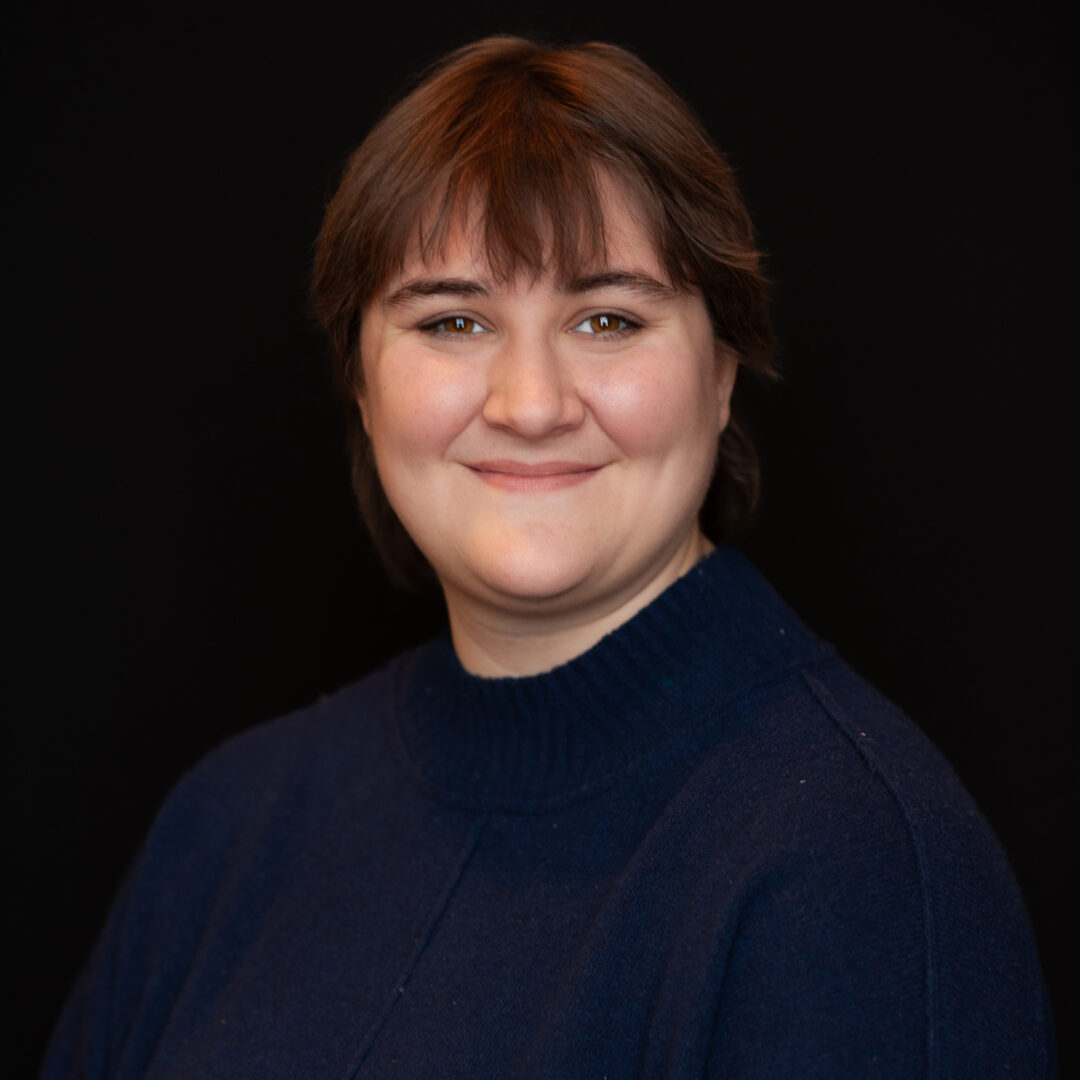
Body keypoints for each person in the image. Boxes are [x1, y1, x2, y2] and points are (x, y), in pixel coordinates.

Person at [42, 35, 1054, 1079]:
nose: (530, 405)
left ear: (722, 372)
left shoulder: (853, 866)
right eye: (455, 320)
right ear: (361, 381)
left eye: (607, 318)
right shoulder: (230, 824)